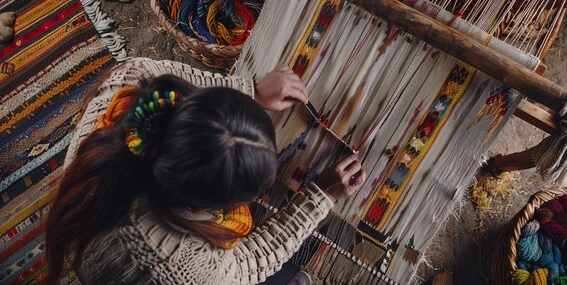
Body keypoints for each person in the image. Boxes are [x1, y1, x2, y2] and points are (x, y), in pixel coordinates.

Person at [45, 57, 366, 284]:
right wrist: (321, 196)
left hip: (86, 233)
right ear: (203, 207)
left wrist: (251, 90)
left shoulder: (127, 95)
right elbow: (249, 263)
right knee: (282, 273)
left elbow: (147, 67)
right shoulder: (186, 266)